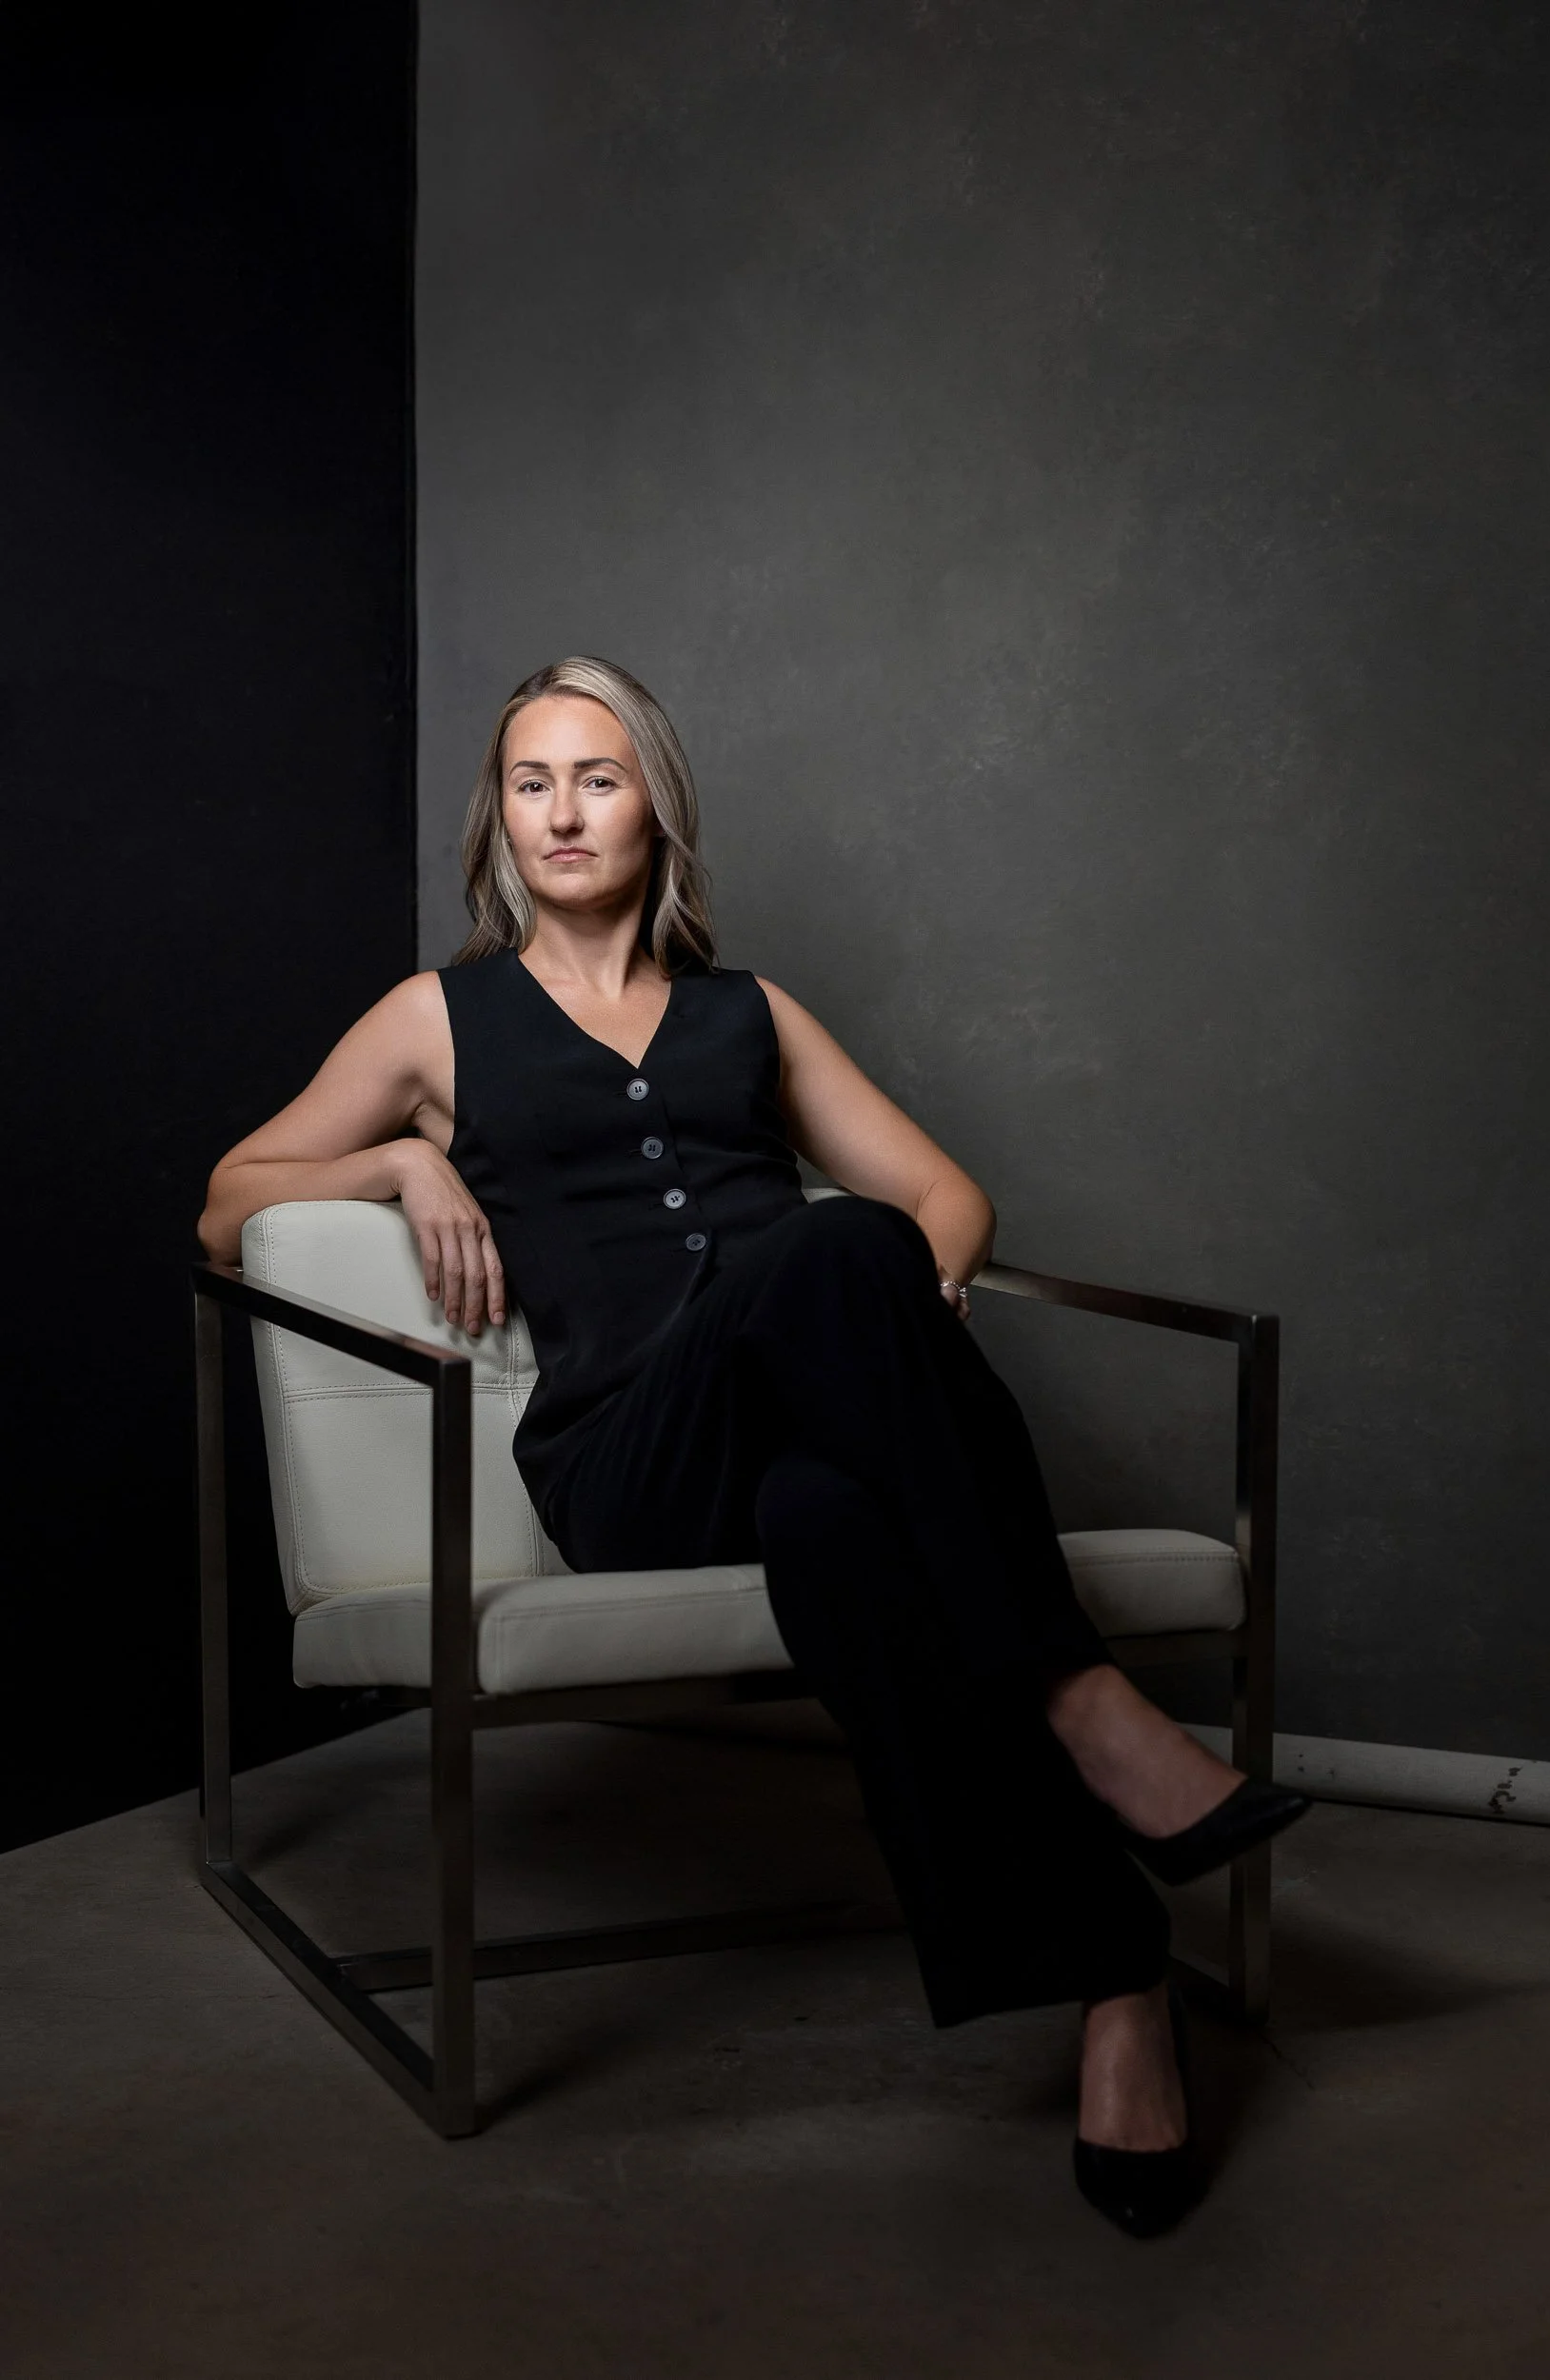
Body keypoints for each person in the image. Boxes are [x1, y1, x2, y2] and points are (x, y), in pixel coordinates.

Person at [199, 655, 1308, 2234]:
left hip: (792, 1454)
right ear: (497, 821)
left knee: (840, 1510)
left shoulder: (750, 1014)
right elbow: (224, 1204)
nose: (563, 812)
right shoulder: (433, 1020)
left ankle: (1117, 1983)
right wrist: (394, 1162)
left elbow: (952, 1201)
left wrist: (911, 1301)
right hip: (627, 1468)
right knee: (831, 1242)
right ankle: (1085, 1702)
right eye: (531, 783)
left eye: (598, 778)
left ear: (658, 806)